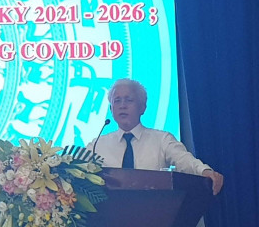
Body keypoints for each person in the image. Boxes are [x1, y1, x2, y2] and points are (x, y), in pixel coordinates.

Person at [90, 78, 223, 194]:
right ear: (111, 109)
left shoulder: (162, 140)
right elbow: (77, 166)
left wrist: (204, 171)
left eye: (129, 100)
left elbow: (184, 160)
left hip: (154, 210)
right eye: (117, 101)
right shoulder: (98, 145)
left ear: (142, 107)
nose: (122, 106)